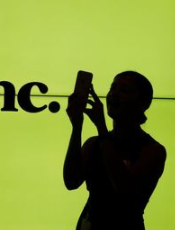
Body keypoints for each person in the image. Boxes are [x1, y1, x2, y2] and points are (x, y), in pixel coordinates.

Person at [63, 71, 167, 230]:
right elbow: (71, 181)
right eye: (113, 88)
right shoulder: (94, 143)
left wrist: (101, 128)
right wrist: (77, 126)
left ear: (143, 103)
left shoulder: (153, 151)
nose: (114, 95)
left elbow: (124, 191)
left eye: (124, 91)